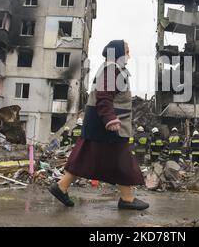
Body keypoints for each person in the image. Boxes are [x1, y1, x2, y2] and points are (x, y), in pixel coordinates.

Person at [48, 40, 148, 210]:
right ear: (118, 53)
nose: (129, 56)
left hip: (99, 124)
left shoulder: (111, 69)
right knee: (122, 160)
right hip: (109, 126)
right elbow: (104, 96)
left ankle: (62, 186)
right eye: (127, 52)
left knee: (86, 157)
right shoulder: (112, 70)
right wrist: (110, 118)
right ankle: (127, 198)